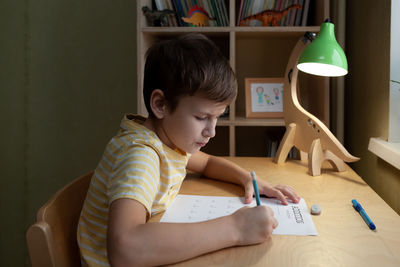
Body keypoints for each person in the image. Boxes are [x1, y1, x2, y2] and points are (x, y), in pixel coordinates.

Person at [77, 33, 300, 267]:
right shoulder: (140, 155)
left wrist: (248, 179)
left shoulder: (167, 141)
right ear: (160, 105)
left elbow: (206, 163)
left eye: (217, 117)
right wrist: (236, 228)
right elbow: (125, 249)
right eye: (202, 117)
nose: (211, 131)